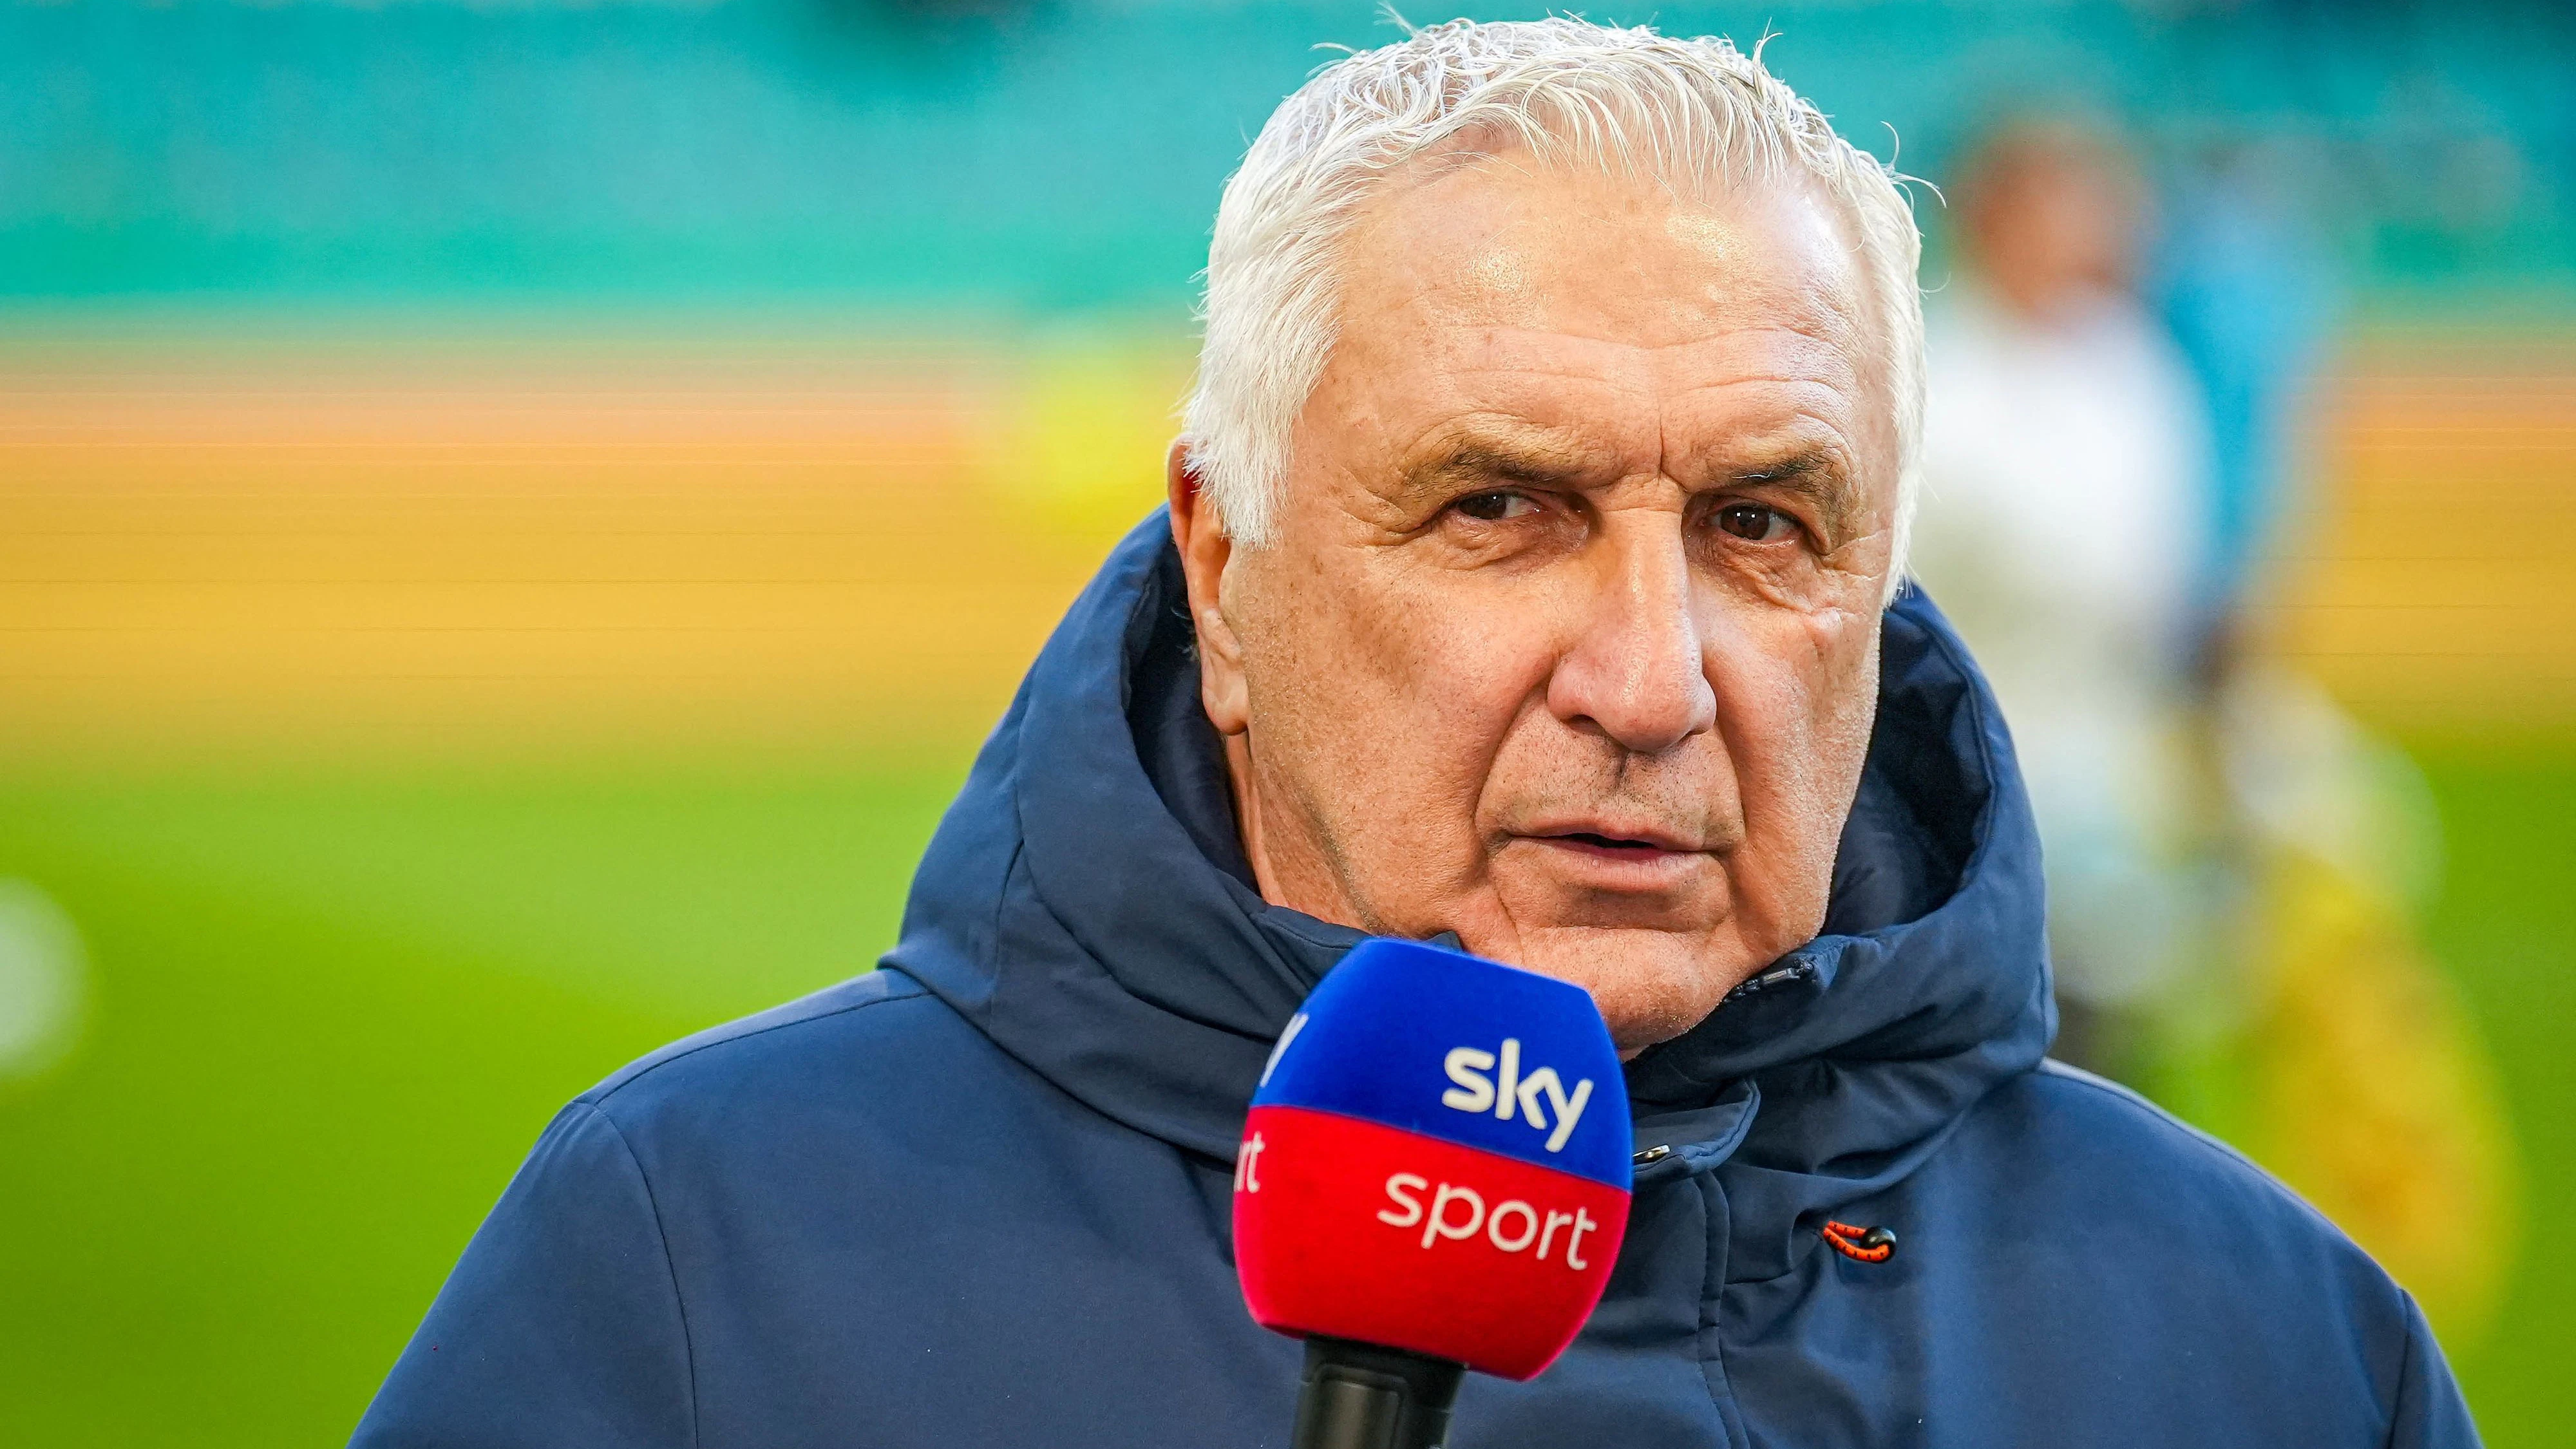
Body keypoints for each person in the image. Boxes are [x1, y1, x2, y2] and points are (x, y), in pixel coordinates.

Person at [352, 20, 2474, 1447]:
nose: (1648, 683)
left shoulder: (2272, 1348)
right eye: (1499, 511)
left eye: (1761, 523)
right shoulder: (702, 1276)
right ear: (1224, 565)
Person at [1907, 121, 2218, 1073]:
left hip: (2105, 772)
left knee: (2103, 1058)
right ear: (1993, 217)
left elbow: (2164, 568)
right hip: (1969, 765)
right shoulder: (1933, 376)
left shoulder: (2131, 366)